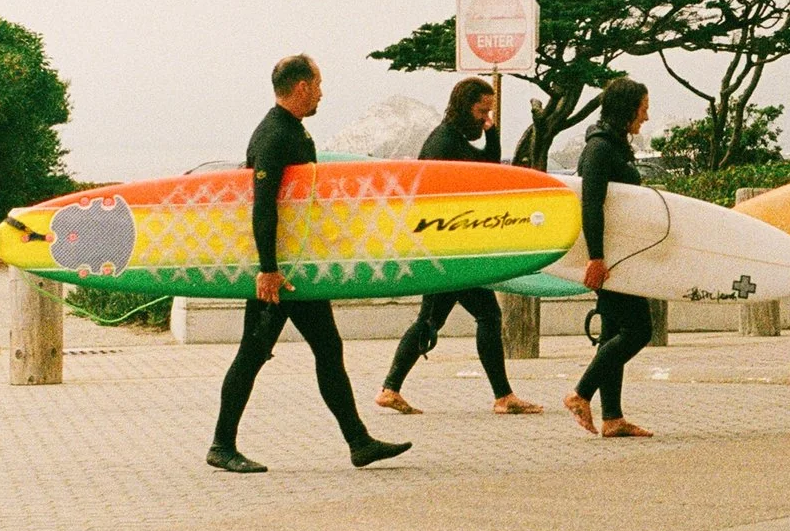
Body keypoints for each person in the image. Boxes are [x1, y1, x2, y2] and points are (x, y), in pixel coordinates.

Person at [206, 55, 412, 473]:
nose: (322, 92)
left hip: (296, 267)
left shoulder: (291, 131)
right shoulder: (274, 135)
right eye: (318, 84)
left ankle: (359, 442)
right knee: (254, 352)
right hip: (279, 271)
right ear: (301, 87)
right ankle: (221, 446)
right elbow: (263, 206)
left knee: (325, 349)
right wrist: (267, 268)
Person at [375, 77, 542, 417]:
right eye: (482, 111)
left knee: (432, 319)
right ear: (465, 107)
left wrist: (493, 133)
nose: (485, 118)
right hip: (443, 253)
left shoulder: (451, 140)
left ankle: (390, 388)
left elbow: (486, 170)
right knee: (486, 314)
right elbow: (475, 178)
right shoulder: (443, 144)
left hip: (447, 250)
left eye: (489, 112)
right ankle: (503, 396)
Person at [565, 76, 656, 438]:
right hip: (609, 257)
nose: (646, 117)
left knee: (614, 334)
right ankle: (580, 393)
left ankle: (613, 417)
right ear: (627, 109)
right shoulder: (600, 149)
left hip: (621, 254)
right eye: (643, 109)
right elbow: (591, 204)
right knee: (638, 331)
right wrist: (596, 257)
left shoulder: (614, 145)